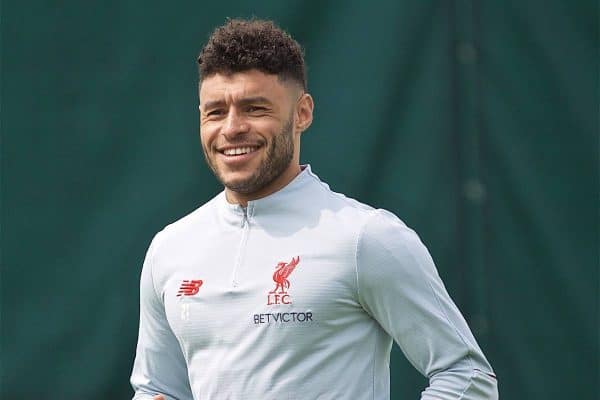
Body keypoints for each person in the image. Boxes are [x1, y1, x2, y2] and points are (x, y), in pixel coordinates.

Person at [130, 18, 498, 400]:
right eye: (215, 112)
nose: (232, 128)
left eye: (254, 108)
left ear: (302, 113)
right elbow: (157, 389)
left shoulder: (365, 238)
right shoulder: (169, 249)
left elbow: (467, 376)